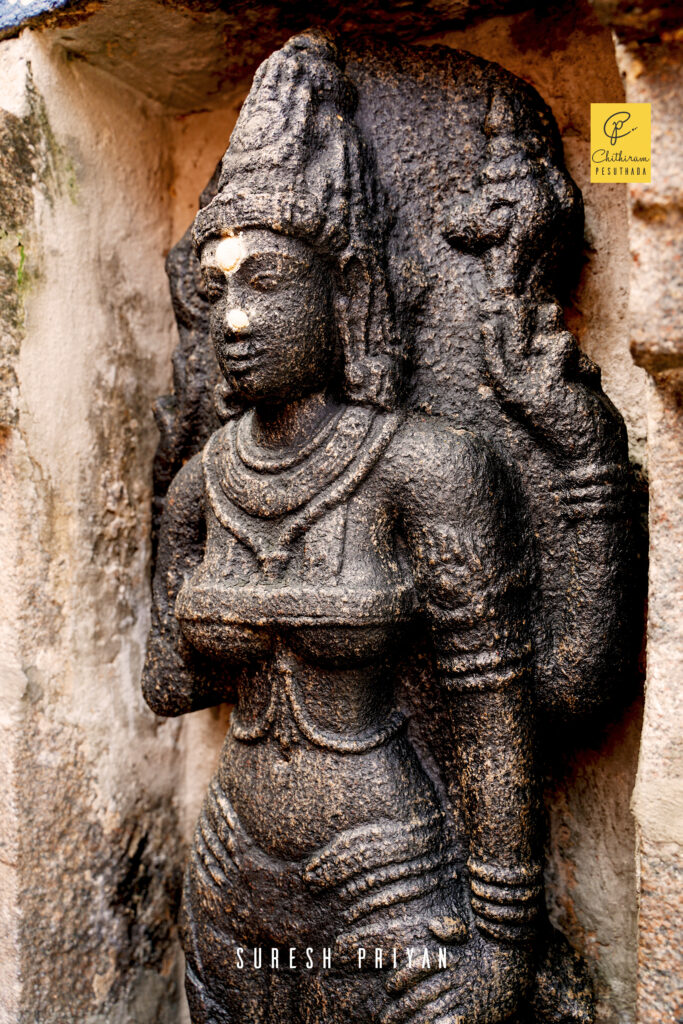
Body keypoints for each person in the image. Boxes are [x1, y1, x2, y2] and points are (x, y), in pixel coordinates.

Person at [144, 32, 620, 1024]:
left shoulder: (424, 466)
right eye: (216, 288)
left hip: (392, 877)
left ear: (343, 289)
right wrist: (174, 463)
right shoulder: (201, 483)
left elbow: (515, 713)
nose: (233, 320)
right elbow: (167, 682)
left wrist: (499, 944)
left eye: (266, 282)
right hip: (229, 876)